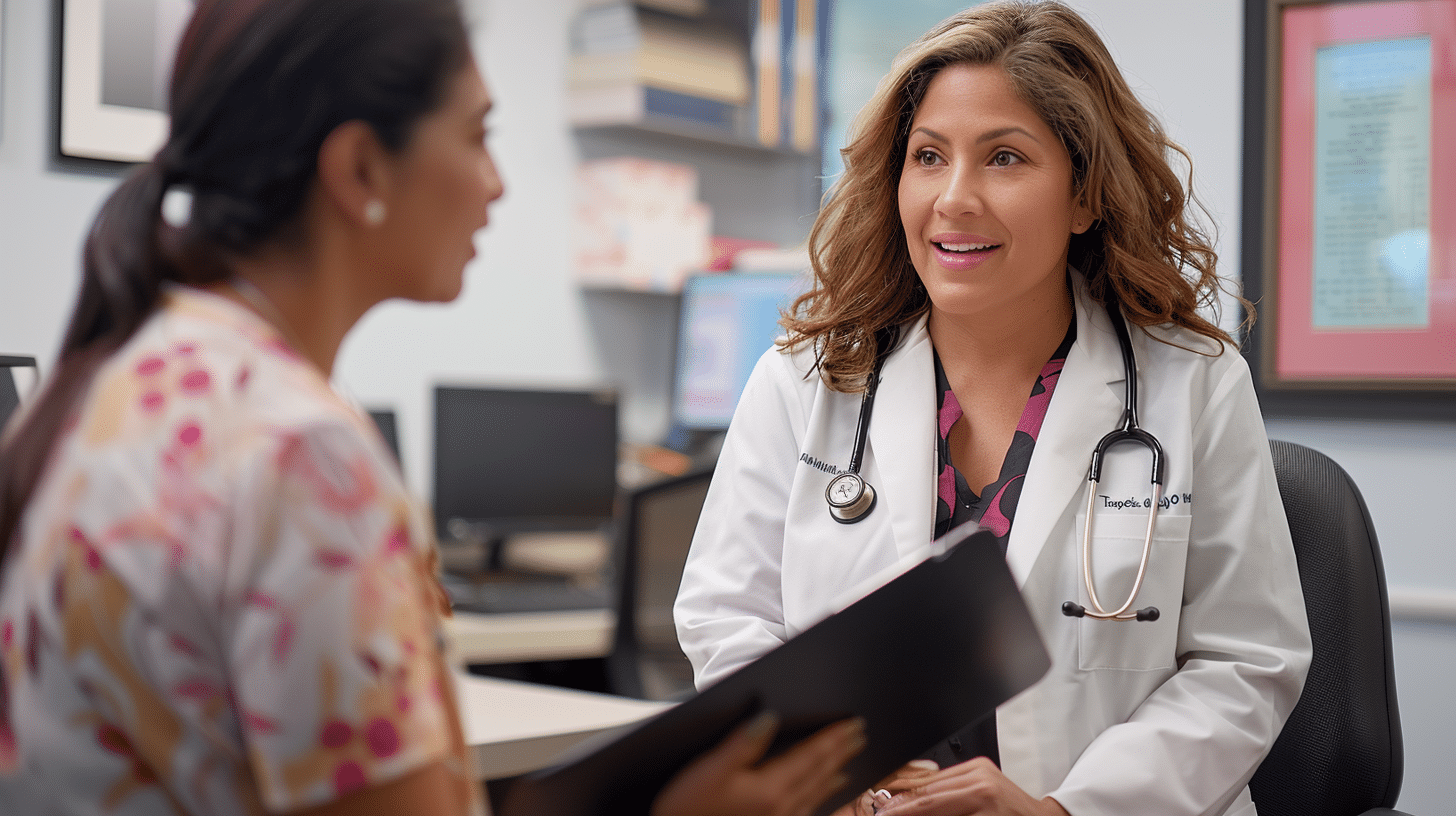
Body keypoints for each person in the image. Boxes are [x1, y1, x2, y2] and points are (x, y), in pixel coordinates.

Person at [0, 1, 865, 814]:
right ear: (360, 169)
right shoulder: (299, 456)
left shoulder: (131, 375)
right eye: (477, 136)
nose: (496, 184)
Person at [673, 2, 1312, 815]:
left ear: (1084, 196)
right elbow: (728, 620)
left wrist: (1065, 811)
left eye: (1004, 158)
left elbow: (1244, 660)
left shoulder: (1195, 385)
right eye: (929, 157)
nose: (955, 198)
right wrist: (823, 779)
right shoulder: (804, 382)